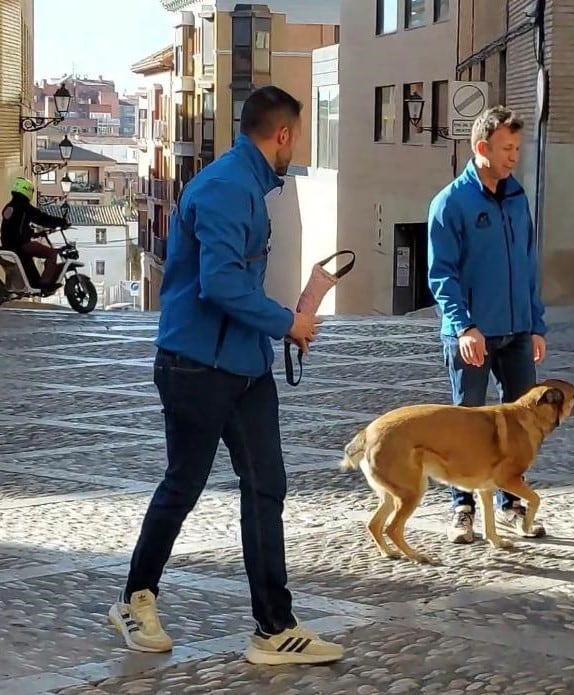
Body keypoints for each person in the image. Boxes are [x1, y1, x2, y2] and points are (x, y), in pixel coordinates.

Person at [107, 86, 342, 665]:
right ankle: (134, 600)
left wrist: (277, 326)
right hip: (195, 367)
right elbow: (220, 284)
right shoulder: (225, 188)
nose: (295, 148)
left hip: (246, 368)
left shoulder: (247, 186)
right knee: (183, 485)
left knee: (266, 487)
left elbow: (237, 282)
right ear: (282, 135)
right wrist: (287, 322)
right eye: (296, 137)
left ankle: (274, 628)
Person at [427, 105, 549, 544]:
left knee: (520, 425)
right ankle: (461, 508)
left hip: (518, 333)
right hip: (472, 336)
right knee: (467, 426)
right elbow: (441, 275)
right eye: (506, 148)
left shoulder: (517, 199)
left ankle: (510, 503)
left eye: (517, 148)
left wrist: (536, 325)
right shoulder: (450, 203)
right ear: (482, 147)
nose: (514, 156)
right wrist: (464, 327)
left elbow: (528, 265)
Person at [0, 177, 68, 290]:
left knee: (29, 258)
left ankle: (35, 283)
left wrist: (34, 234)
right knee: (52, 253)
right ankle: (45, 284)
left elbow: (16, 228)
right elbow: (42, 218)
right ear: (27, 190)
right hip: (21, 244)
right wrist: (61, 222)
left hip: (8, 244)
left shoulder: (9, 206)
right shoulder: (24, 206)